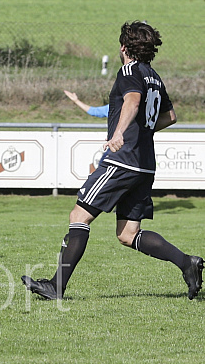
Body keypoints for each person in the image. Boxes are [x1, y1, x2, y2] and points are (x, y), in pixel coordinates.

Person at [22, 21, 203, 300]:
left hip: (122, 161)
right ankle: (186, 263)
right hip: (144, 165)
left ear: (123, 48)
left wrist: (120, 133)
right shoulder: (155, 76)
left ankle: (56, 287)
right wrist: (142, 131)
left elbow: (131, 100)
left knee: (78, 216)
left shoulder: (129, 70)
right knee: (128, 234)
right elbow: (170, 116)